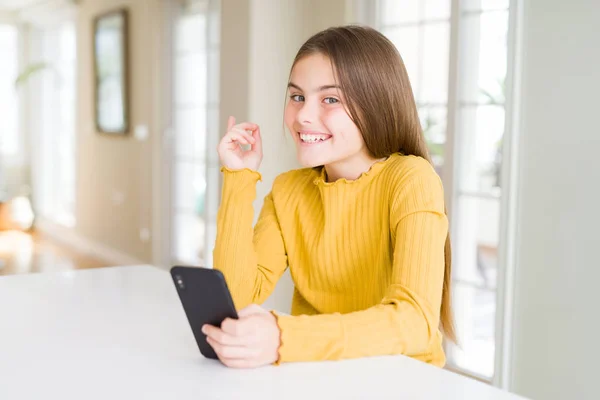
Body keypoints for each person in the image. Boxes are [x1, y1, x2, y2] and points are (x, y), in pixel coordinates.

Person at [201, 25, 455, 369]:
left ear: (375, 104)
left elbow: (415, 321)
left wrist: (282, 337)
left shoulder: (411, 180)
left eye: (330, 99)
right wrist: (238, 177)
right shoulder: (288, 191)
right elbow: (237, 298)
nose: (303, 115)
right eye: (297, 96)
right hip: (317, 375)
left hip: (402, 378)